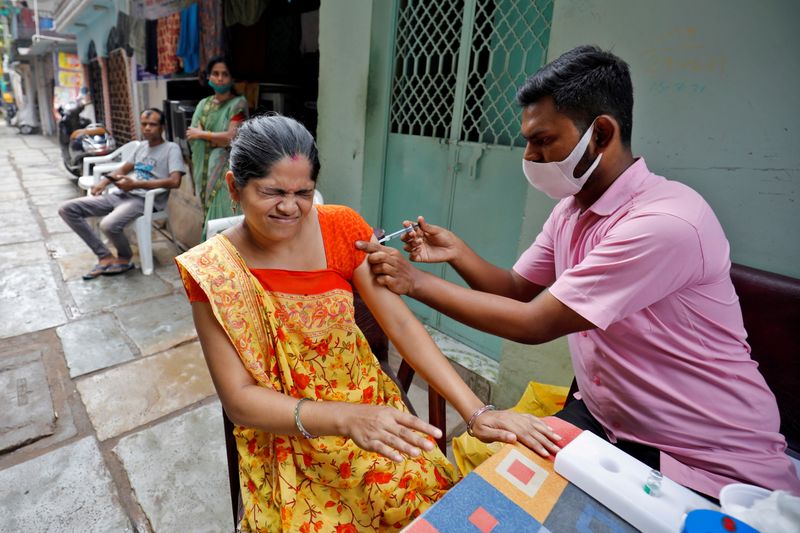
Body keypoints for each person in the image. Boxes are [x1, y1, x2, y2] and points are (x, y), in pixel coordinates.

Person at [357, 45, 800, 499]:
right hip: (611, 423)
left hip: (700, 452)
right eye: (528, 141)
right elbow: (515, 291)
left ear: (601, 133)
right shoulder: (573, 210)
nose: (529, 157)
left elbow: (533, 323)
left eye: (543, 140)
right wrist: (457, 253)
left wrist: (414, 282)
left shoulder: (663, 224)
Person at [175, 115, 556, 532]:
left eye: (303, 193)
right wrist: (346, 419)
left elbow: (402, 325)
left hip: (378, 417)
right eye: (272, 192)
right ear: (234, 187)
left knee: (431, 510)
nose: (290, 207)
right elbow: (240, 400)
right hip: (286, 434)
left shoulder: (340, 228)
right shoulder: (212, 271)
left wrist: (476, 412)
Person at [59, 108, 185, 280]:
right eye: (144, 124)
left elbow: (175, 181)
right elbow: (124, 169)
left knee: (108, 225)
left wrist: (136, 184)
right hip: (121, 195)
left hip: (144, 200)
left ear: (162, 127)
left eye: (153, 124)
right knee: (67, 209)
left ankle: (124, 258)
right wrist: (103, 182)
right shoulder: (141, 147)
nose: (147, 128)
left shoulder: (171, 148)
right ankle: (105, 256)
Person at [185, 56, 248, 236]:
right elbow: (191, 135)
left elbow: (231, 138)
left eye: (225, 74)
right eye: (215, 74)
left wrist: (203, 134)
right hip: (203, 168)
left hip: (225, 169)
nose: (220, 78)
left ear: (232, 78)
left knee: (223, 211)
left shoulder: (238, 104)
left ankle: (229, 256)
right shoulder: (203, 104)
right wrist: (214, 139)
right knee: (208, 213)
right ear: (209, 77)